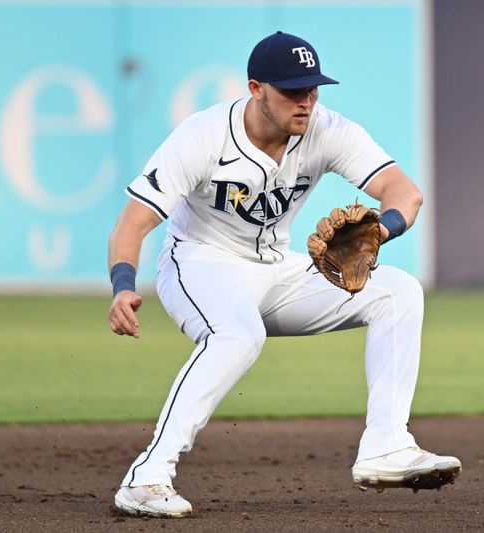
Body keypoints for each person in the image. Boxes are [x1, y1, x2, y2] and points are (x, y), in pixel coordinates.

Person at [108, 31, 461, 518]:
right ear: (256, 89)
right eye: (293, 91)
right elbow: (133, 221)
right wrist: (122, 288)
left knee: (398, 291)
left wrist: (383, 229)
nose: (306, 102)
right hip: (199, 263)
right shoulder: (202, 137)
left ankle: (386, 445)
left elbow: (405, 191)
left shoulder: (326, 129)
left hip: (276, 267)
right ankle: (146, 477)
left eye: (312, 90)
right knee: (237, 335)